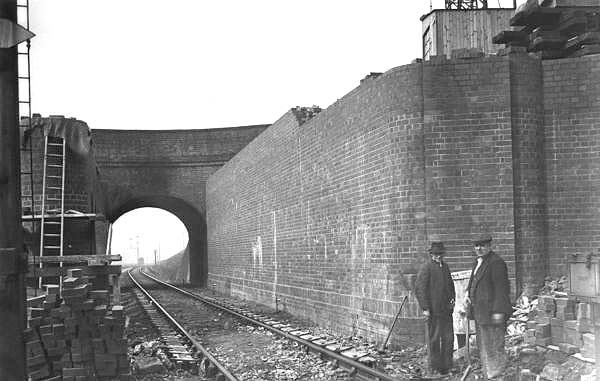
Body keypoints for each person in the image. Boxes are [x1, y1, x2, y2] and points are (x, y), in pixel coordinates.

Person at [465, 234, 512, 380]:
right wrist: (467, 293)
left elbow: (501, 290)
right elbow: (473, 282)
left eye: (482, 245)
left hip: (492, 313)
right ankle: (488, 373)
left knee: (494, 345)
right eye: (476, 246)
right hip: (480, 312)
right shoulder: (477, 262)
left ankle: (496, 374)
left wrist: (499, 313)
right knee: (484, 346)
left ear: (489, 246)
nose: (479, 248)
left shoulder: (496, 263)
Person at [415, 242, 455, 375]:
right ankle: (436, 367)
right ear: (431, 255)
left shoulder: (445, 267)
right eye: (435, 254)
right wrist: (425, 308)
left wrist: (452, 299)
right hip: (434, 311)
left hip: (446, 311)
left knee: (448, 338)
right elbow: (420, 289)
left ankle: (447, 365)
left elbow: (450, 285)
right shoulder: (426, 268)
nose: (438, 256)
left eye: (440, 254)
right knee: (435, 339)